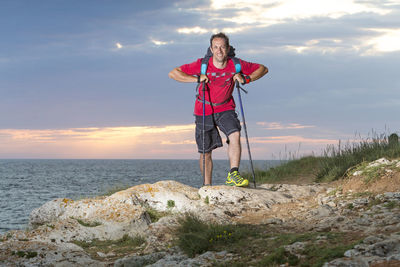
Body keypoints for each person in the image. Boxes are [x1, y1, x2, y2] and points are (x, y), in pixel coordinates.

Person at [169, 32, 268, 187]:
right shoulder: (202, 64)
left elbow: (263, 69)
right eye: (216, 47)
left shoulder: (236, 64)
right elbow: (173, 73)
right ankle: (207, 186)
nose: (219, 50)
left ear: (227, 48)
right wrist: (196, 78)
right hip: (204, 109)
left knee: (235, 134)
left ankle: (233, 174)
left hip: (225, 108)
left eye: (222, 47)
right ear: (211, 49)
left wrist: (246, 78)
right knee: (205, 152)